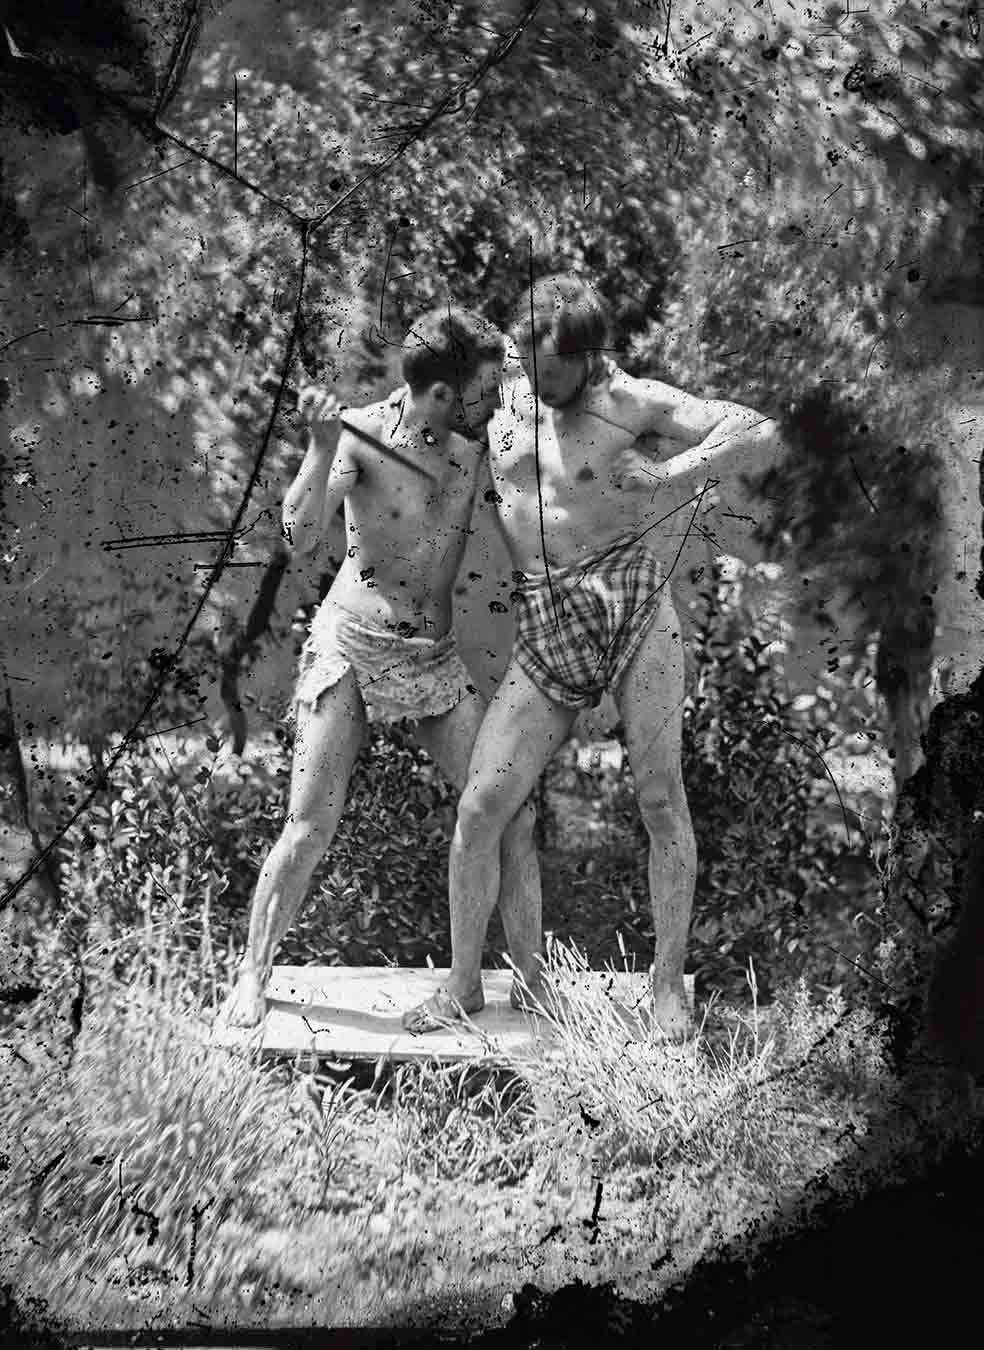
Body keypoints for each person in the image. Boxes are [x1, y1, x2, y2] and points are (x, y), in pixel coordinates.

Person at [401, 274, 786, 1039]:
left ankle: (668, 986)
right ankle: (465, 984)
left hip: (634, 605)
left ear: (587, 358)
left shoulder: (627, 400)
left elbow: (759, 428)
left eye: (555, 372)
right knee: (482, 805)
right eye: (529, 367)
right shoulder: (503, 382)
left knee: (658, 798)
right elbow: (432, 370)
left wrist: (671, 473)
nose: (539, 385)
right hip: (548, 617)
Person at [220, 306, 543, 1028]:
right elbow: (300, 537)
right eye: (483, 390)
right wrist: (317, 444)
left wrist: (508, 359)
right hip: (352, 648)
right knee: (309, 825)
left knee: (511, 814)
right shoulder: (361, 435)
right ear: (439, 395)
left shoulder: (479, 436)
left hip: (431, 659)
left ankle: (533, 983)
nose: (494, 402)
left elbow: (521, 392)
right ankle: (251, 974)